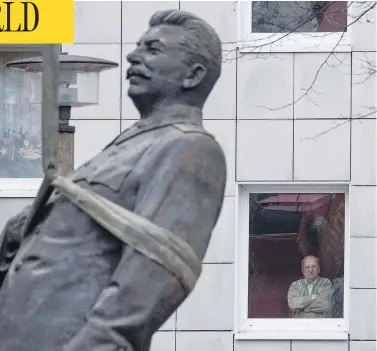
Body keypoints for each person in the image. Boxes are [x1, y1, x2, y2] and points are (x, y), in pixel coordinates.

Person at [0, 9, 226, 351]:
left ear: (193, 75)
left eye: (152, 49)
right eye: (138, 46)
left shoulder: (190, 148)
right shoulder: (131, 144)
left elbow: (151, 278)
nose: (133, 55)